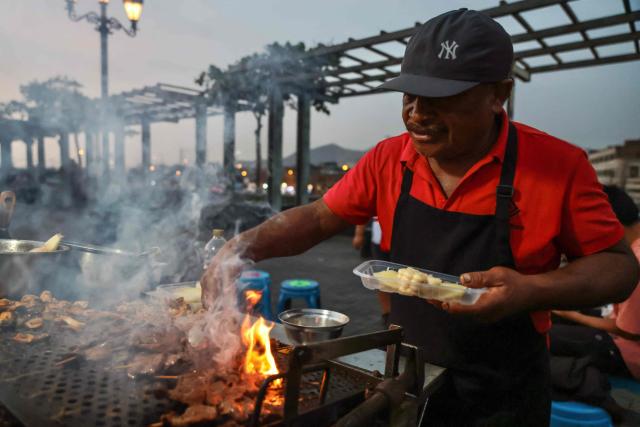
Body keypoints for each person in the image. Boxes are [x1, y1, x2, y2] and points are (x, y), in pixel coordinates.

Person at [202, 9, 638, 426]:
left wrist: (530, 290)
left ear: (498, 95)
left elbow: (619, 268)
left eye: (442, 98)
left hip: (504, 390)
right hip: (406, 374)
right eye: (410, 95)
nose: (418, 113)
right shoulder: (389, 159)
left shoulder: (558, 166)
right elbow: (317, 218)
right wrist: (237, 250)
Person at [549, 186, 640, 415]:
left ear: (612, 224)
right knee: (558, 316)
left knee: (542, 338)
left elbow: (628, 331)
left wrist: (573, 315)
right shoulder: (634, 247)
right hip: (618, 324)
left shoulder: (635, 261)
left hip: (628, 351)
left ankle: (591, 387)